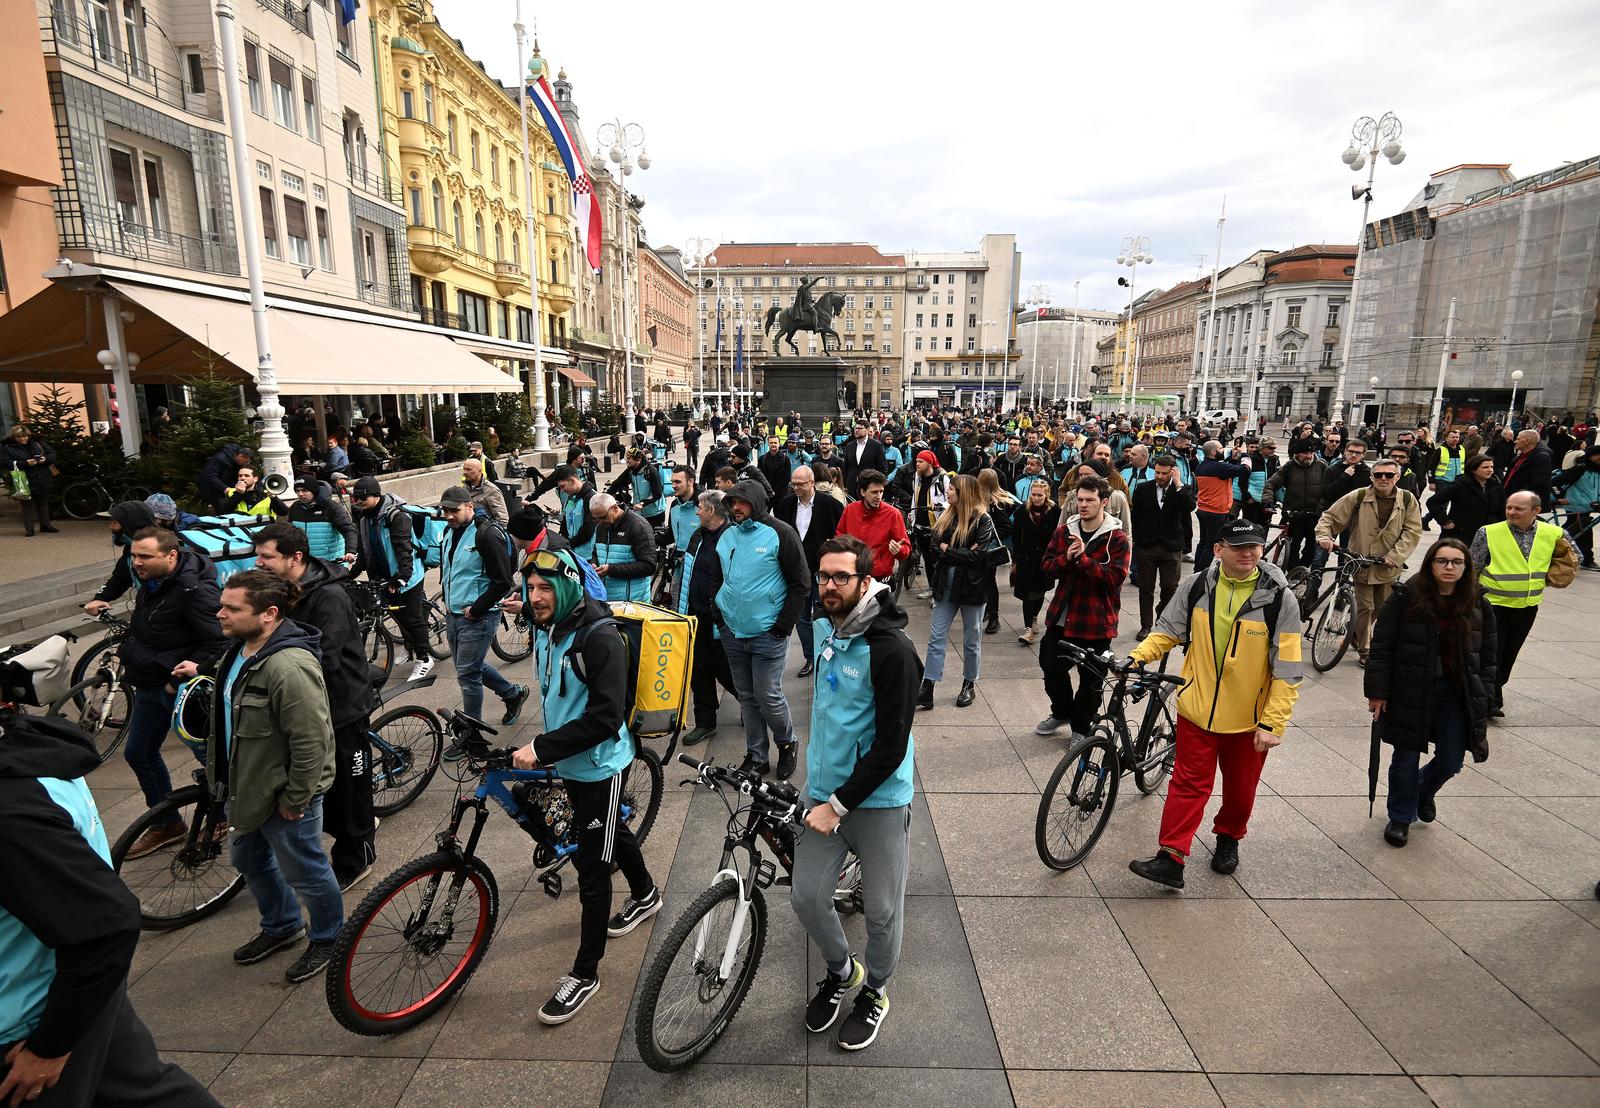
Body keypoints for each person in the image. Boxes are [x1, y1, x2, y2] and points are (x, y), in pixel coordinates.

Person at [0, 711, 220, 1107]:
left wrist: (50, 1047)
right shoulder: (31, 750)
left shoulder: (12, 810)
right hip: (70, 985)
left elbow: (106, 926)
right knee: (147, 1090)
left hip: (34, 1017)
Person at [504, 548, 661, 1025]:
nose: (535, 598)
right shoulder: (551, 624)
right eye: (530, 589)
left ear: (570, 587)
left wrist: (543, 747)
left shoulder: (601, 639)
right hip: (570, 760)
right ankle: (648, 894)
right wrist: (523, 610)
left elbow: (605, 717)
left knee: (593, 870)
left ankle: (585, 973)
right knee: (610, 831)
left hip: (597, 765)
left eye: (545, 588)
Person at [1127, 520, 1304, 889]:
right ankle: (1171, 857)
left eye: (1255, 546)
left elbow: (1288, 669)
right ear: (1218, 549)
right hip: (1197, 709)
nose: (1249, 553)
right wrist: (1137, 657)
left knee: (1240, 791)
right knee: (1188, 785)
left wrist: (1273, 723)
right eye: (1239, 546)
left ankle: (1229, 836)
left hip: (1248, 720)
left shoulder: (1279, 598)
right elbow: (1167, 630)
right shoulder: (1196, 586)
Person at [795, 534, 919, 1052]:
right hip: (823, 792)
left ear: (866, 582)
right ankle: (842, 971)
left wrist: (837, 806)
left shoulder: (891, 650)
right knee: (806, 898)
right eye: (824, 576)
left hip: (876, 802)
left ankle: (875, 990)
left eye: (840, 577)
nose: (828, 585)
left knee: (882, 911)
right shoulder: (831, 630)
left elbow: (890, 747)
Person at [206, 570, 343, 983]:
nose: (220, 614)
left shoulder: (288, 666)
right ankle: (283, 925)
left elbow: (311, 743)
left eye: (232, 608)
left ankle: (329, 936)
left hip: (283, 795)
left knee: (305, 868)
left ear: (269, 614)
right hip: (247, 786)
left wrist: (295, 799)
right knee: (246, 856)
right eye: (222, 605)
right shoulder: (240, 650)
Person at [249, 523, 379, 890]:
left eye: (266, 556)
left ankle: (357, 856)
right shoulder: (280, 589)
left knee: (350, 790)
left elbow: (325, 657)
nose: (258, 563)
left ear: (296, 558)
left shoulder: (329, 597)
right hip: (301, 704)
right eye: (257, 555)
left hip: (340, 706)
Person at [83, 528, 225, 857]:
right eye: (134, 556)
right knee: (139, 753)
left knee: (210, 760)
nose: (137, 562)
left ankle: (224, 818)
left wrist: (181, 679)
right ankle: (167, 824)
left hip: (179, 690)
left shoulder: (194, 590)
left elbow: (221, 641)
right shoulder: (153, 582)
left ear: (171, 555)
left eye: (145, 556)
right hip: (149, 683)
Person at [1366, 538, 1497, 847]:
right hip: (1409, 689)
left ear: (1466, 567)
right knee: (1406, 757)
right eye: (1442, 561)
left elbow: (1489, 655)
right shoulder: (1405, 598)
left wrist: (1486, 695)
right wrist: (1377, 693)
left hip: (1456, 694)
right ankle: (1400, 816)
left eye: (1457, 562)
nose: (1449, 567)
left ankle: (1423, 791)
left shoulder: (1478, 603)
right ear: (1431, 564)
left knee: (1452, 760)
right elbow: (1381, 649)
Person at [716, 480, 810, 779]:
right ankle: (756, 755)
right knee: (745, 695)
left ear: (755, 502)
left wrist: (782, 626)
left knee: (766, 693)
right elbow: (718, 576)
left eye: (740, 503)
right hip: (733, 631)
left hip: (768, 632)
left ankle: (787, 743)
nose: (735, 508)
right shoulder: (727, 535)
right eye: (731, 504)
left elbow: (801, 582)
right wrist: (719, 614)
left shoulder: (780, 533)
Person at [1034, 474, 1130, 740]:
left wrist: (1084, 561)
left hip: (1096, 622)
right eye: (1079, 500)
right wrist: (1067, 557)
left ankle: (1080, 726)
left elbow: (1114, 578)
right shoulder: (1065, 531)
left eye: (1090, 500)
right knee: (1050, 666)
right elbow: (1047, 568)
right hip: (1062, 618)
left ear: (1104, 502)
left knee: (1091, 681)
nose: (1083, 505)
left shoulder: (1117, 538)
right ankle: (1062, 711)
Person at [1469, 491, 1578, 716]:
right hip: (1492, 604)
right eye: (1509, 507)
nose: (1511, 512)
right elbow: (1472, 566)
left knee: (1509, 654)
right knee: (1492, 654)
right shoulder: (1488, 532)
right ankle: (1490, 700)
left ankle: (1493, 692)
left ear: (1536, 511)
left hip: (1528, 605)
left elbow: (1575, 557)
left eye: (1518, 509)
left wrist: (1556, 571)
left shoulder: (1555, 533)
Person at [436, 486, 528, 749]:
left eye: (454, 510)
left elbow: (503, 582)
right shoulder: (449, 532)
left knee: (467, 674)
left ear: (469, 506)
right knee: (469, 665)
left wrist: (476, 609)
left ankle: (471, 737)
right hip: (454, 614)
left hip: (478, 616)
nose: (449, 516)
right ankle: (513, 693)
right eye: (445, 510)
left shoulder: (487, 535)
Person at [1315, 457, 1423, 666]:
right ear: (1372, 477)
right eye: (1378, 475)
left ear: (1397, 477)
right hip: (1361, 561)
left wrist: (1394, 556)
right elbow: (1330, 517)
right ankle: (1365, 649)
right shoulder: (1359, 496)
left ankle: (1356, 633)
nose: (1383, 478)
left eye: (1389, 475)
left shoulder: (1408, 500)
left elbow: (1412, 532)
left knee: (1382, 607)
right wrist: (1324, 536)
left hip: (1388, 565)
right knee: (1365, 606)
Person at [916, 474, 1006, 710]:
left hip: (973, 588)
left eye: (953, 489)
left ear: (964, 492)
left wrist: (950, 550)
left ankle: (969, 683)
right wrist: (960, 551)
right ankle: (928, 686)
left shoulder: (982, 519)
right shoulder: (946, 516)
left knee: (971, 640)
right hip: (945, 585)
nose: (948, 492)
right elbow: (934, 549)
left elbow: (978, 558)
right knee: (936, 638)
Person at [348, 475, 433, 681]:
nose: (359, 502)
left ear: (376, 495)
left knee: (412, 617)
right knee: (396, 615)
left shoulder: (397, 516)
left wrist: (402, 577)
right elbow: (363, 551)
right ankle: (409, 646)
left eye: (363, 497)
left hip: (407, 574)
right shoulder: (364, 518)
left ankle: (424, 658)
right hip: (383, 577)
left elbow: (404, 549)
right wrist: (347, 575)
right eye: (356, 498)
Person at [676, 490, 738, 747]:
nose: (697, 511)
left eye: (700, 507)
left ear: (712, 510)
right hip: (695, 615)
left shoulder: (732, 536)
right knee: (698, 671)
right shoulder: (698, 535)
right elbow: (687, 572)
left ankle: (751, 703)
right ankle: (705, 723)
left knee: (727, 670)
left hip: (721, 620)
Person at [776, 465, 843, 677]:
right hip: (796, 573)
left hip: (824, 572)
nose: (796, 488)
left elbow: (841, 535)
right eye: (793, 484)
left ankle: (832, 655)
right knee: (801, 617)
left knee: (828, 616)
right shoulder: (785, 506)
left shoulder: (830, 505)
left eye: (800, 484)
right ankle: (811, 657)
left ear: (812, 482)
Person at [1128, 456, 1195, 640]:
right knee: (1146, 588)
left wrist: (1179, 483)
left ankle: (1162, 621)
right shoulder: (1144, 489)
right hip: (1146, 547)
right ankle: (1146, 626)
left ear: (1173, 472)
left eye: (1164, 473)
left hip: (1171, 547)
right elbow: (1136, 516)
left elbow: (1190, 507)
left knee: (1170, 587)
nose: (1159, 476)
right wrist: (1138, 540)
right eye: (1157, 472)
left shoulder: (1181, 489)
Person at [839, 469, 910, 584]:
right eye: (874, 492)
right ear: (863, 492)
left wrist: (899, 550)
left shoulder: (893, 514)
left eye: (881, 491)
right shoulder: (850, 510)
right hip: (852, 574)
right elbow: (839, 537)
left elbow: (905, 548)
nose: (879, 496)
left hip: (879, 577)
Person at [1010, 477, 1058, 645]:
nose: (1036, 498)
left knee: (1040, 592)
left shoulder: (1054, 511)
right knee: (1028, 595)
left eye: (1040, 495)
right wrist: (1015, 558)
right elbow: (1016, 536)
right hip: (1026, 559)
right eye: (1034, 495)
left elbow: (1056, 536)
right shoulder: (1022, 511)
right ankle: (1028, 627)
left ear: (1046, 495)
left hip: (1045, 558)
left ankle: (1035, 616)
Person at [1193, 440, 1252, 572]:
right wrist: (1244, 454)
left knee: (1203, 542)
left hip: (1203, 509)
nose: (1223, 450)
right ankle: (1201, 572)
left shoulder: (1202, 466)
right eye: (1221, 448)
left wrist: (1232, 457)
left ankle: (1197, 569)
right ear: (1214, 452)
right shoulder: (1219, 468)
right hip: (1216, 511)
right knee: (1211, 544)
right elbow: (1245, 471)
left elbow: (1225, 468)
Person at [85, 501, 156, 609]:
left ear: (129, 524)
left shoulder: (159, 550)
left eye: (115, 522)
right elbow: (120, 577)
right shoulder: (130, 549)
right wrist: (100, 598)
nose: (111, 526)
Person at [588, 492, 657, 602]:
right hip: (607, 599)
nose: (599, 522)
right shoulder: (601, 526)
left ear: (615, 508)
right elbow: (597, 553)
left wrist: (611, 569)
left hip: (632, 603)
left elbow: (649, 566)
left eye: (602, 517)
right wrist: (594, 563)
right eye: (595, 519)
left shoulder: (639, 526)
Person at [976, 468, 1019, 635]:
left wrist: (987, 538)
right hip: (988, 546)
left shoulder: (995, 502)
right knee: (986, 581)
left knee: (987, 581)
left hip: (990, 547)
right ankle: (988, 611)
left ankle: (993, 616)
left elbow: (1006, 527)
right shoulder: (1002, 497)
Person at [1430, 453, 1505, 544]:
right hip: (1461, 535)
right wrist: (1445, 522)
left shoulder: (1496, 485)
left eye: (1491, 467)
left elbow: (1501, 510)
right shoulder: (1461, 484)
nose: (1490, 470)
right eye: (1485, 467)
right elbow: (1433, 502)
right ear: (1473, 469)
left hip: (1487, 535)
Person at [2, 425, 59, 535]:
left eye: (25, 436)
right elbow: (5, 462)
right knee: (27, 504)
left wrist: (45, 459)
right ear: (14, 437)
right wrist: (25, 463)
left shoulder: (37, 442)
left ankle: (46, 526)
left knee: (43, 503)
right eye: (20, 437)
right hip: (23, 478)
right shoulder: (6, 447)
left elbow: (52, 454)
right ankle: (30, 529)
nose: (23, 439)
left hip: (41, 476)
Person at [286, 477, 358, 562]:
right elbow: (290, 532)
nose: (300, 494)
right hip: (305, 563)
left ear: (314, 491)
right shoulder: (295, 507)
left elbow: (349, 530)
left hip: (332, 563)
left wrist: (350, 551)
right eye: (297, 491)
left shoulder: (332, 507)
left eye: (304, 490)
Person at [1553, 442, 1600, 569]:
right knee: (1580, 531)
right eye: (1597, 455)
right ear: (1590, 456)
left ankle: (1583, 558)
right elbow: (1556, 481)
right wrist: (1559, 498)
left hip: (1587, 506)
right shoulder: (1581, 468)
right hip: (1574, 505)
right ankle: (1586, 559)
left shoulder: (1596, 470)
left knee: (1576, 531)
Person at [1423, 428, 1469, 529]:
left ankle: (1425, 520)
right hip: (1442, 480)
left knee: (1455, 505)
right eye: (1452, 437)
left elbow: (1466, 465)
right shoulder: (1440, 450)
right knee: (1442, 505)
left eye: (1457, 437)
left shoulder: (1462, 449)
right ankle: (1444, 526)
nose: (1455, 439)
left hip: (1458, 481)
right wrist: (1431, 482)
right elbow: (1431, 467)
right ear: (1446, 438)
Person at [608, 447, 666, 527]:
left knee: (656, 537)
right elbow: (617, 484)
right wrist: (606, 496)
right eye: (626, 458)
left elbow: (657, 493)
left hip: (655, 513)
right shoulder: (630, 471)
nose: (627, 460)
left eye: (629, 458)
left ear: (638, 459)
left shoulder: (650, 471)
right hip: (639, 513)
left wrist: (642, 503)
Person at [1502, 429, 1555, 508]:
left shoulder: (1541, 457)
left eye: (1518, 439)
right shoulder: (1523, 454)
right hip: (1511, 499)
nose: (1515, 441)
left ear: (1527, 441)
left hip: (1523, 504)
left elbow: (1538, 483)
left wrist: (1516, 496)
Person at [555, 466, 598, 562]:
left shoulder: (591, 498)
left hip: (588, 556)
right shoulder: (570, 498)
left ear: (572, 480)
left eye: (563, 486)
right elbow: (566, 522)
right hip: (573, 553)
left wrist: (569, 544)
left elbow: (588, 529)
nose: (562, 490)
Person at [197, 442, 251, 513]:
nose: (245, 464)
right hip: (211, 488)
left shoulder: (235, 462)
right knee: (221, 509)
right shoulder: (220, 458)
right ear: (240, 456)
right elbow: (210, 475)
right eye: (245, 461)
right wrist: (224, 488)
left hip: (223, 487)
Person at [841, 422, 888, 493]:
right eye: (855, 428)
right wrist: (843, 485)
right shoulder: (849, 446)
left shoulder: (876, 446)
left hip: (869, 488)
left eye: (859, 428)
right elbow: (845, 469)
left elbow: (882, 468)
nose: (856, 430)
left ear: (866, 430)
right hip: (851, 488)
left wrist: (875, 485)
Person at [460, 457, 508, 523]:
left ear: (480, 471)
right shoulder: (464, 488)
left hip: (484, 530)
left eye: (468, 469)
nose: (465, 472)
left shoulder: (491, 490)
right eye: (464, 469)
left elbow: (502, 519)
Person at [667, 467, 700, 553]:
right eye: (672, 482)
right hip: (677, 560)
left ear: (690, 482)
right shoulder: (674, 505)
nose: (673, 486)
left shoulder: (704, 506)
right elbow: (671, 535)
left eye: (677, 482)